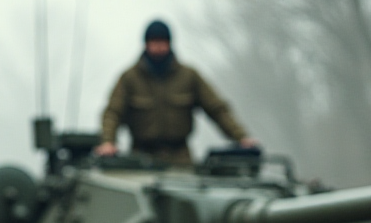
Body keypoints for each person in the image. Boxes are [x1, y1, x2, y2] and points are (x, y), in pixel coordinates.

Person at [94, 20, 258, 166]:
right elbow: (113, 113)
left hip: (180, 158)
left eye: (162, 42)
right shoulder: (130, 78)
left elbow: (216, 108)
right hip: (140, 158)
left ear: (170, 44)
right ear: (146, 44)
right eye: (154, 42)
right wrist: (108, 142)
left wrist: (240, 137)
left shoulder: (188, 76)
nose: (158, 47)